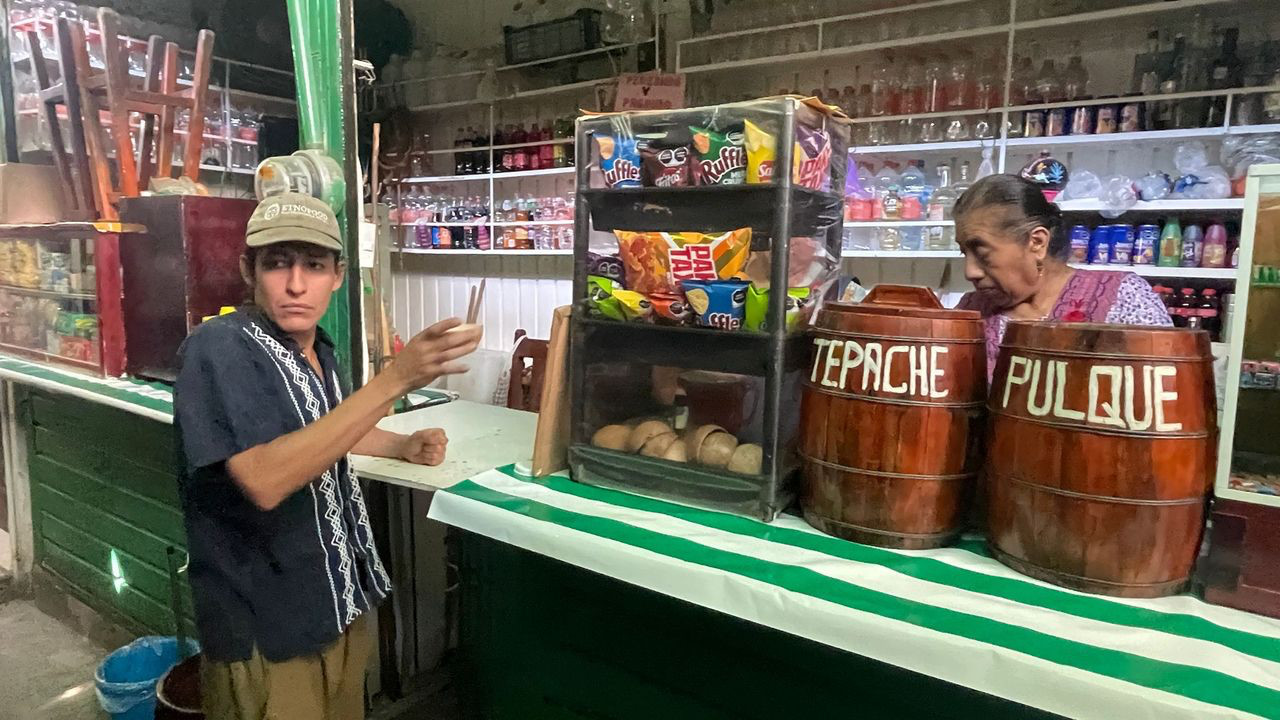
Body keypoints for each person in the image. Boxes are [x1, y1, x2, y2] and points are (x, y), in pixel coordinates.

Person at [173, 192, 482, 720]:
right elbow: (264, 479)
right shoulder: (219, 349)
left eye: (314, 266)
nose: (296, 285)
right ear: (249, 271)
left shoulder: (320, 349)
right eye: (278, 264)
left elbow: (325, 431)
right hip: (268, 628)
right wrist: (394, 380)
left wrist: (400, 444)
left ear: (337, 276)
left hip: (338, 605)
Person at [953, 174, 1171, 376]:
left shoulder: (1124, 298)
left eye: (982, 254)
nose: (970, 272)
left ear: (1037, 242)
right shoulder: (971, 312)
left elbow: (1168, 389)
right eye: (964, 253)